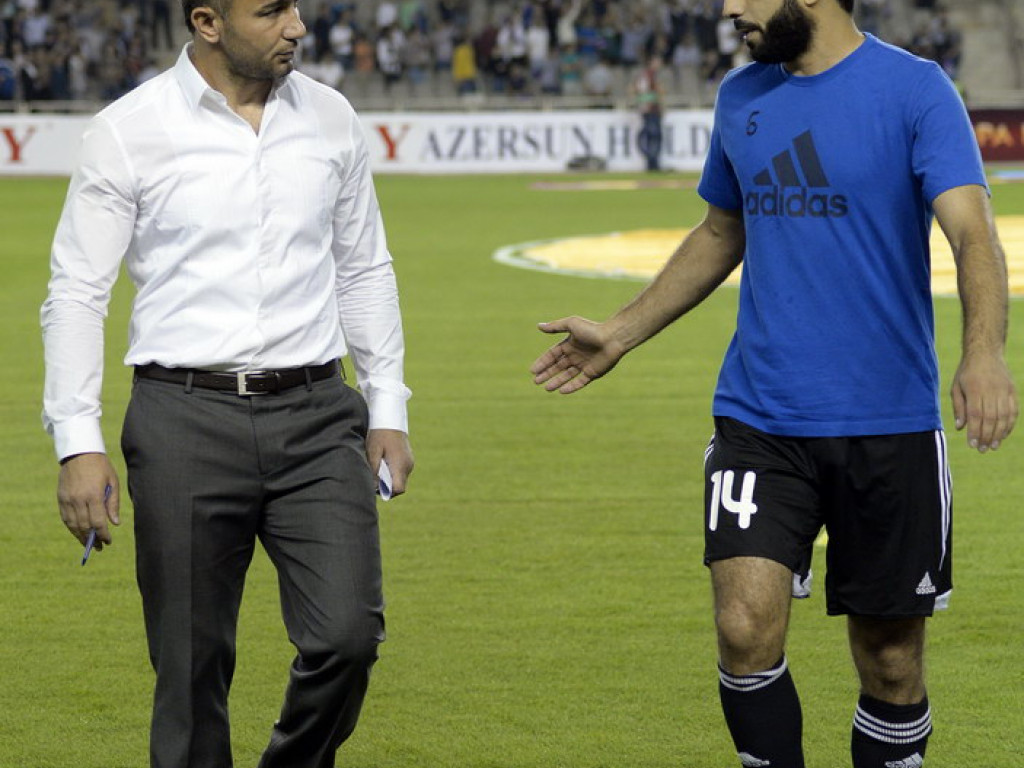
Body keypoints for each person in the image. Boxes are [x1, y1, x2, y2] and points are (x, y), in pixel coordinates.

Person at [531, 0, 1017, 766]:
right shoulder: (741, 94)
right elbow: (721, 230)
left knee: (891, 660)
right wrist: (620, 331)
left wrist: (982, 352)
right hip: (759, 414)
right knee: (743, 628)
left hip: (886, 421)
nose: (729, 8)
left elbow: (972, 233)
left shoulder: (917, 91)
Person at [41, 1, 414, 767]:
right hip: (182, 419)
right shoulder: (129, 129)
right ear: (208, 22)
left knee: (347, 638)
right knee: (190, 667)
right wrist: (77, 442)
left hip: (318, 415)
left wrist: (388, 406)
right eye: (271, 10)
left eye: (296, 6)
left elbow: (364, 267)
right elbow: (77, 292)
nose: (297, 26)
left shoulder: (332, 117)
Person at [630, 52, 664, 171]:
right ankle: (653, 163)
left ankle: (652, 163)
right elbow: (639, 91)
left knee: (651, 136)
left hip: (650, 109)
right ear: (651, 63)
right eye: (657, 62)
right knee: (654, 135)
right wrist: (647, 103)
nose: (659, 64)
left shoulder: (649, 76)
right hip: (650, 110)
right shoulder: (648, 76)